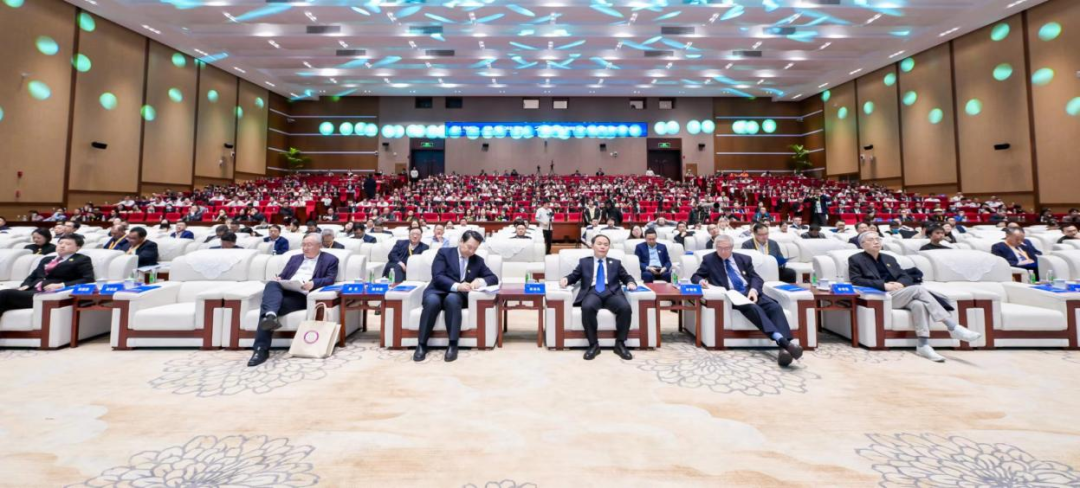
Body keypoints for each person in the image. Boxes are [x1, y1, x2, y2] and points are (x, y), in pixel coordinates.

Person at [849, 232, 981, 362]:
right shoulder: (856, 259)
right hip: (884, 296)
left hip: (900, 293)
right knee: (918, 289)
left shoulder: (889, 258)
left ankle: (923, 344)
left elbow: (905, 276)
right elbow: (856, 280)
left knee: (919, 304)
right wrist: (884, 285)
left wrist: (901, 283)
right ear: (862, 244)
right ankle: (952, 326)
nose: (876, 242)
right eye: (871, 239)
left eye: (878, 239)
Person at [692, 235, 803, 367]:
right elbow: (696, 276)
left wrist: (754, 290)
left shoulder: (744, 258)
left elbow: (756, 278)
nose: (722, 251)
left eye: (726, 248)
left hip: (750, 292)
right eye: (719, 248)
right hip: (733, 295)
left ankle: (785, 349)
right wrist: (701, 281)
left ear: (732, 247)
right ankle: (785, 343)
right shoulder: (709, 259)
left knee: (774, 307)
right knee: (753, 308)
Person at [248, 234, 339, 367]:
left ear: (319, 246)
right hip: (285, 291)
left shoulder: (330, 259)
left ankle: (261, 348)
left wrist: (313, 283)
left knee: (267, 307)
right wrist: (279, 278)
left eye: (309, 245)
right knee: (272, 284)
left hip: (302, 296)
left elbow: (330, 279)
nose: (305, 248)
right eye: (303, 245)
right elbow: (283, 275)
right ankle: (271, 317)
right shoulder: (295, 258)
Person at [414, 230, 498, 362]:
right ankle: (422, 344)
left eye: (475, 249)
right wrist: (457, 286)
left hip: (457, 296)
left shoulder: (477, 260)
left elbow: (493, 278)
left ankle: (453, 344)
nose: (471, 251)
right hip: (437, 290)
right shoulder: (444, 253)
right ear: (461, 242)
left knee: (452, 299)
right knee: (432, 302)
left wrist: (480, 281)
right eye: (469, 247)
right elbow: (438, 276)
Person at [560, 234, 638, 361]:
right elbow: (574, 276)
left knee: (625, 307)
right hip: (593, 291)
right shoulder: (584, 262)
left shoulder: (616, 263)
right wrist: (566, 279)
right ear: (592, 246)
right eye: (599, 244)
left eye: (606, 244)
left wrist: (630, 282)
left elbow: (626, 277)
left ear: (609, 247)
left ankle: (620, 344)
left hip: (612, 292)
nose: (602, 247)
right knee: (587, 307)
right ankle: (593, 345)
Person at [0, 234, 95, 320]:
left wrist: (61, 285)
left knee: (6, 294)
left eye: (68, 244)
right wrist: (25, 285)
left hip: (48, 294)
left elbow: (88, 279)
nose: (62, 246)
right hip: (31, 290)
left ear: (77, 247)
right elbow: (32, 276)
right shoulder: (47, 259)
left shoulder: (81, 259)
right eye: (60, 243)